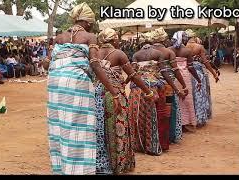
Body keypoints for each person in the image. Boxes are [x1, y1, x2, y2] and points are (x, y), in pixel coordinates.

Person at [42, 3, 121, 175]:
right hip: (76, 84)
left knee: (59, 127)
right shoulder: (90, 37)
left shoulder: (59, 37)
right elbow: (94, 64)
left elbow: (46, 63)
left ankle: (62, 170)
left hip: (55, 84)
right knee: (79, 128)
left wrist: (63, 62)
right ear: (87, 22)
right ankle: (79, 171)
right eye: (91, 23)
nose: (92, 26)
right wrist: (114, 93)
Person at [96, 28, 155, 174]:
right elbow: (134, 75)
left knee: (100, 128)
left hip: (97, 93)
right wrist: (148, 91)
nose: (118, 41)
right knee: (119, 128)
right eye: (117, 39)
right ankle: (119, 165)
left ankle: (103, 163)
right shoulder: (118, 53)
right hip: (114, 94)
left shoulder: (94, 53)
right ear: (113, 39)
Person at [129, 30, 185, 153]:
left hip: (137, 88)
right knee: (158, 116)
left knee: (139, 116)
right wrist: (176, 89)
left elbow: (132, 73)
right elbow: (164, 72)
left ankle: (139, 145)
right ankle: (155, 144)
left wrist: (124, 83)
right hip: (155, 88)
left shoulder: (136, 54)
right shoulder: (158, 53)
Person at [150, 28, 189, 143]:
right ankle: (169, 136)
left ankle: (155, 136)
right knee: (170, 110)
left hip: (151, 84)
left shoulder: (148, 51)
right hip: (168, 85)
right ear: (164, 39)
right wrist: (183, 86)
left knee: (155, 110)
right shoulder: (168, 52)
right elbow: (176, 71)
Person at [168, 30, 202, 132]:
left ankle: (175, 123)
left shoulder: (168, 50)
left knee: (174, 99)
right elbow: (191, 68)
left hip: (172, 76)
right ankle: (185, 123)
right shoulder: (187, 51)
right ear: (184, 39)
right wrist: (198, 80)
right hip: (185, 77)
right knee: (187, 100)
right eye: (185, 37)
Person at [185, 29, 219, 127]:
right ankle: (200, 118)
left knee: (191, 96)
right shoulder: (199, 47)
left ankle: (190, 119)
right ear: (195, 37)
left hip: (188, 73)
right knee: (200, 95)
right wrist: (214, 74)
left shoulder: (184, 47)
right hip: (198, 73)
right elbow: (206, 63)